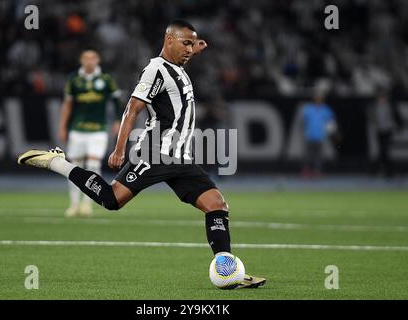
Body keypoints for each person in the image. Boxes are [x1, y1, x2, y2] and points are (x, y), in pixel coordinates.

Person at [18, 20, 265, 289]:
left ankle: (227, 270)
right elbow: (132, 109)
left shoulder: (178, 67)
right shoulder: (155, 70)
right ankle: (57, 162)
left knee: (216, 204)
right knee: (112, 200)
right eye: (185, 43)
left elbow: (182, 59)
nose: (190, 49)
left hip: (181, 159)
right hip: (155, 153)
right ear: (168, 39)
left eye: (193, 44)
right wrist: (119, 147)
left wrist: (195, 49)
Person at [59, 49, 122, 217]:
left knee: (93, 165)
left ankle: (88, 203)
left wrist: (117, 121)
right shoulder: (74, 79)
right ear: (81, 60)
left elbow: (117, 101)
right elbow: (67, 105)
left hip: (98, 129)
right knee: (74, 167)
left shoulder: (106, 79)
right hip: (77, 129)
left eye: (93, 58)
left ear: (98, 60)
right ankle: (73, 204)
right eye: (86, 58)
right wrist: (62, 127)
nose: (90, 61)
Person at [301, 93, 336, 178]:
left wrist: (331, 133)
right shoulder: (308, 109)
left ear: (322, 100)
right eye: (317, 98)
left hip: (320, 136)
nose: (318, 100)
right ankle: (307, 171)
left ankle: (317, 171)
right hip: (309, 135)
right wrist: (305, 131)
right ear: (314, 99)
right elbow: (304, 122)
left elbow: (330, 122)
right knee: (308, 155)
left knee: (318, 156)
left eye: (320, 98)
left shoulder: (326, 109)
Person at [368, 89, 402, 178]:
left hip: (388, 130)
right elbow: (372, 118)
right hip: (379, 131)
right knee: (383, 151)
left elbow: (396, 116)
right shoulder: (375, 106)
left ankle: (377, 170)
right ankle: (387, 171)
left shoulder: (390, 106)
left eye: (383, 96)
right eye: (380, 97)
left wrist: (398, 126)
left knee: (384, 150)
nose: (381, 98)